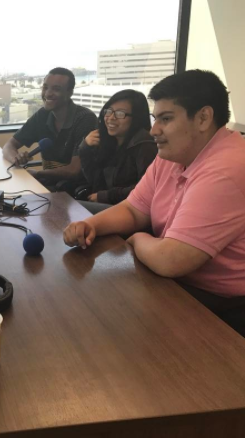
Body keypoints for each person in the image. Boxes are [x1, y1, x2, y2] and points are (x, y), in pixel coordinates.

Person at [63, 70, 244, 336]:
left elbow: (172, 260)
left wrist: (137, 238)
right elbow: (133, 209)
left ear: (204, 118)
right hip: (175, 282)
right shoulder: (173, 154)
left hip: (221, 305)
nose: (153, 130)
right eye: (155, 118)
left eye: (166, 119)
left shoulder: (226, 168)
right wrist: (90, 225)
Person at [2, 67, 97, 186]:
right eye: (45, 87)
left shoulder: (85, 118)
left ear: (70, 92)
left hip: (76, 189)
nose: (47, 93)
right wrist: (15, 159)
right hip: (49, 185)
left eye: (56, 89)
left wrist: (38, 174)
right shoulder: (42, 115)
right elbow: (9, 146)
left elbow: (74, 171)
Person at [77, 89, 157, 214]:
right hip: (112, 205)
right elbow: (94, 181)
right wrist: (85, 148)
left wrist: (105, 196)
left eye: (120, 113)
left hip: (133, 211)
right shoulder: (111, 141)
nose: (111, 118)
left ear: (136, 118)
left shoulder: (145, 145)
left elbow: (146, 189)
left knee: (69, 206)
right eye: (108, 111)